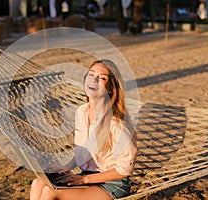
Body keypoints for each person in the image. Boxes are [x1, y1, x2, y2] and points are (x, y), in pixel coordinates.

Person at [30, 59, 137, 200]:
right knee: (37, 184)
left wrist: (85, 180)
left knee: (49, 193)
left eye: (102, 78)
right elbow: (86, 149)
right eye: (91, 75)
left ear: (110, 88)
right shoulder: (81, 112)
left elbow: (124, 170)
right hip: (87, 176)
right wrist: (67, 166)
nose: (94, 80)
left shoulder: (116, 124)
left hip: (111, 184)